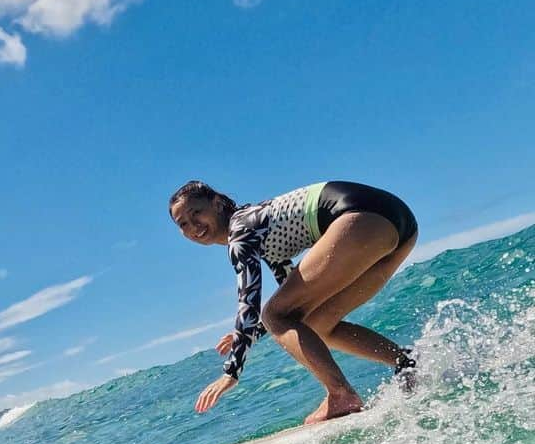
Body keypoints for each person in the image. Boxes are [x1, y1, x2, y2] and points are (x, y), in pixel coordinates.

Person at [168, 180, 418, 424]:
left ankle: (341, 394)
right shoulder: (257, 226)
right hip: (398, 223)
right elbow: (294, 307)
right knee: (315, 322)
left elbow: (250, 301)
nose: (193, 226)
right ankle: (406, 362)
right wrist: (249, 334)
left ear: (217, 203)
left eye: (196, 212)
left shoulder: (241, 232)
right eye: (183, 223)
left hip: (362, 217)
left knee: (275, 314)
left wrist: (231, 372)